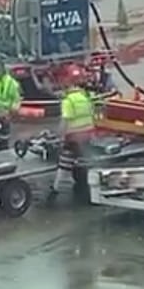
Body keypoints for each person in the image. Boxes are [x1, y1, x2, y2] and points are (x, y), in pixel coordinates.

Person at [48, 64, 96, 200]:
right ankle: (87, 188)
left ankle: (55, 191)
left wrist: (58, 136)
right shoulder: (84, 97)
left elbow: (65, 121)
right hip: (87, 136)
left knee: (64, 164)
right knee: (84, 163)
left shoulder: (68, 101)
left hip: (73, 138)